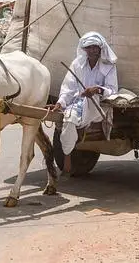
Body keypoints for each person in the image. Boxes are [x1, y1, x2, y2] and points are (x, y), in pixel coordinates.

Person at [53, 32, 118, 175]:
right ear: (84, 49)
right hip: (78, 103)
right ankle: (68, 156)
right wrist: (60, 103)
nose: (92, 50)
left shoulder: (109, 66)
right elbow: (68, 88)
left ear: (100, 49)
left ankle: (82, 125)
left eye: (95, 47)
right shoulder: (77, 64)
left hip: (98, 105)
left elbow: (113, 91)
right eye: (89, 47)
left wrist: (97, 90)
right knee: (69, 119)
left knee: (90, 100)